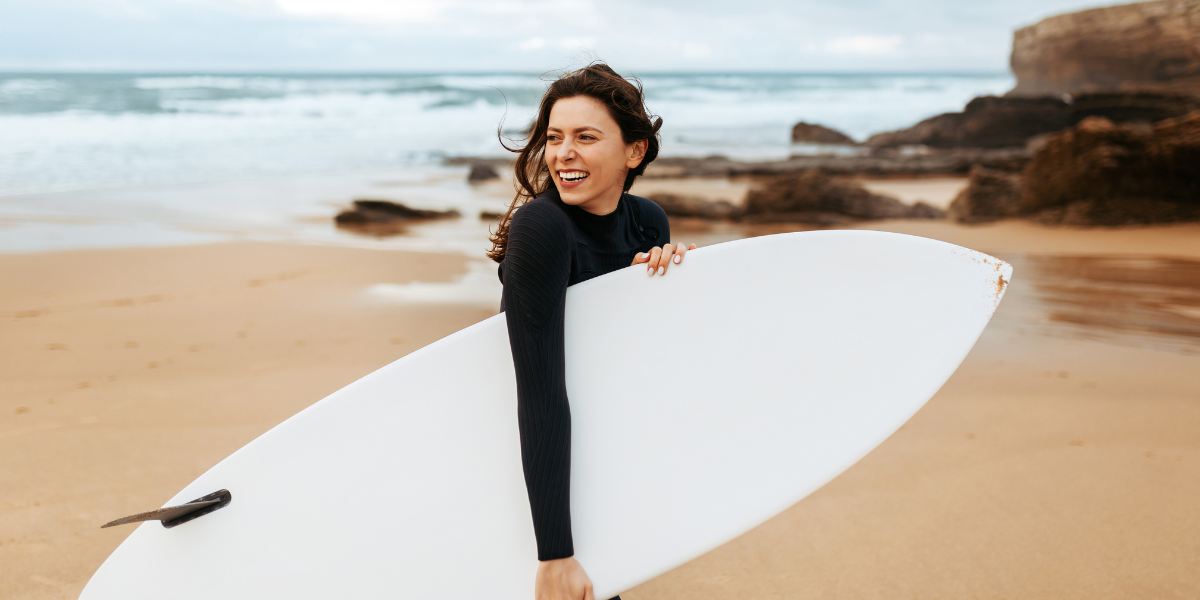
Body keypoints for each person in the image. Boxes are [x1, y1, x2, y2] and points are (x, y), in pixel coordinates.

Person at [488, 63, 696, 600]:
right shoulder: (542, 228)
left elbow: (640, 369)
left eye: (585, 137)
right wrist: (554, 555)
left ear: (635, 151)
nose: (562, 154)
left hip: (601, 460)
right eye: (554, 138)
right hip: (533, 475)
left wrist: (673, 287)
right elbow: (540, 392)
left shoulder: (648, 222)